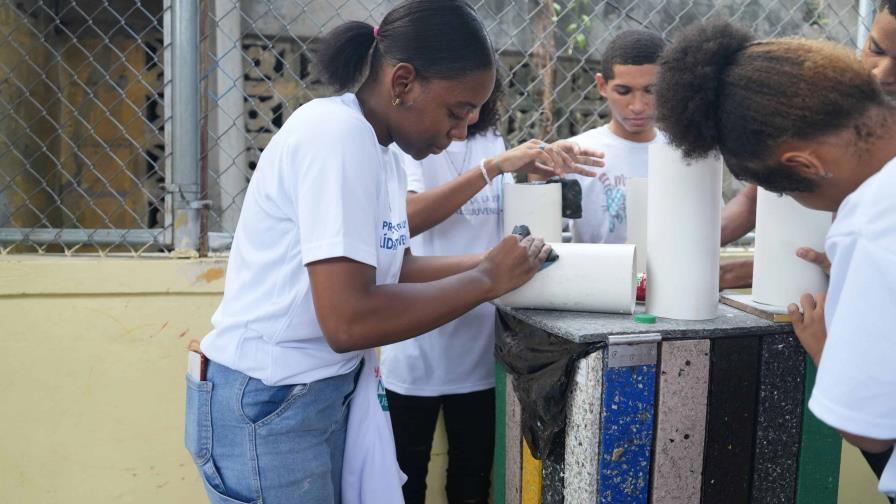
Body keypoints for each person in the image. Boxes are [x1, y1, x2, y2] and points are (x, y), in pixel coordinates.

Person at [182, 2, 600, 503]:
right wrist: (485, 279)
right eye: (456, 110)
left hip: (311, 394)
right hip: (270, 399)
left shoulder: (383, 152)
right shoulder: (335, 136)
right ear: (402, 83)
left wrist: (501, 265)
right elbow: (348, 322)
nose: (463, 129)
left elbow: (395, 266)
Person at [654, 18, 896, 499]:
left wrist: (828, 349)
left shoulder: (871, 224)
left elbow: (870, 429)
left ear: (802, 166)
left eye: (778, 193)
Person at [379, 73, 601, 503]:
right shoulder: (409, 146)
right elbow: (407, 217)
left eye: (476, 104)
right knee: (404, 481)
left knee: (473, 478)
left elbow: (506, 217)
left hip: (482, 346)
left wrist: (537, 171)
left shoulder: (491, 141)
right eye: (458, 106)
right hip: (416, 347)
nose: (466, 118)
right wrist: (491, 170)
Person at [718, 0, 896, 290]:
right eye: (876, 49)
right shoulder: (835, 99)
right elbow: (753, 200)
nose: (882, 74)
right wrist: (694, 252)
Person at [534, 29, 666, 247]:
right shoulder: (579, 153)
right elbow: (538, 234)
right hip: (595, 277)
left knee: (640, 279)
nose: (638, 106)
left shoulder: (684, 152)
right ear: (602, 86)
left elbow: (710, 227)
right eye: (624, 91)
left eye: (650, 90)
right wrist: (537, 177)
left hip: (662, 277)